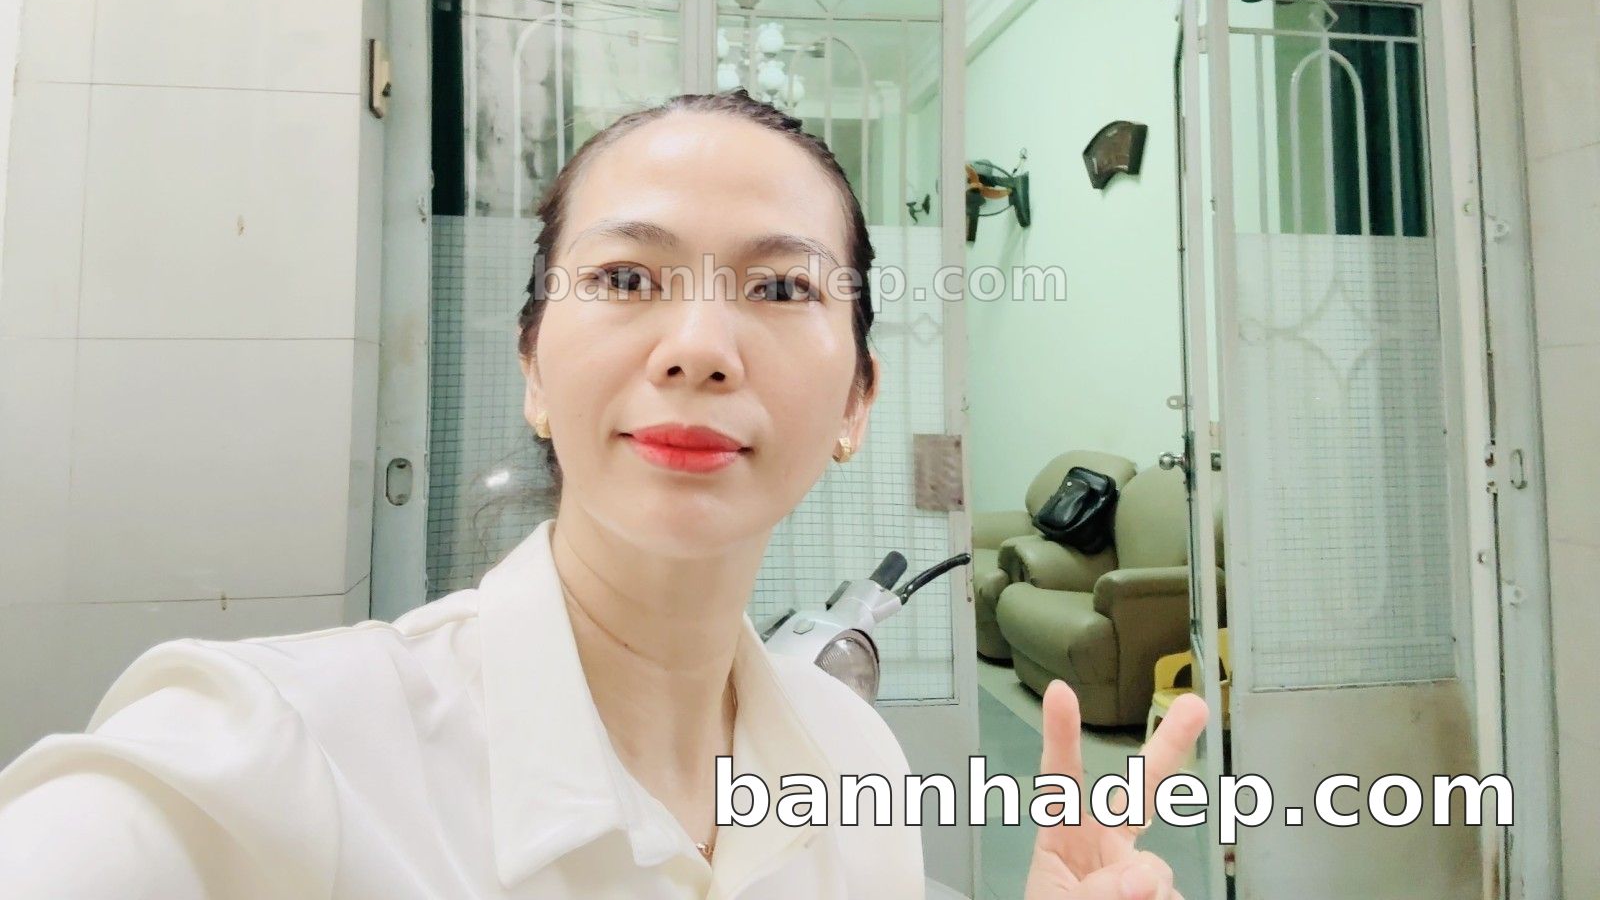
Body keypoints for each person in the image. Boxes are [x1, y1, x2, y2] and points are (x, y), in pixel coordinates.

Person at [0, 89, 1207, 898]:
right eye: (627, 277)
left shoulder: (856, 768)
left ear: (857, 400)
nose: (698, 348)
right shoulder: (273, 756)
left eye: (780, 290)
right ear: (534, 367)